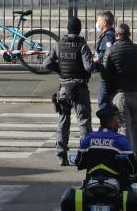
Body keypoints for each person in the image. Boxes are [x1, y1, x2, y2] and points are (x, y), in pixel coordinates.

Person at [63, 105, 137, 211]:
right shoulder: (121, 141)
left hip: (92, 185)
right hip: (115, 187)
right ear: (110, 121)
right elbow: (132, 168)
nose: (119, 121)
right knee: (134, 199)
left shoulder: (88, 139)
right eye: (117, 118)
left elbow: (80, 163)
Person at [44, 16, 94, 166]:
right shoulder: (82, 45)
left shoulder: (59, 44)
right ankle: (85, 154)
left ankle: (62, 155)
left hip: (64, 89)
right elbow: (89, 67)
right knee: (84, 121)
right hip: (79, 88)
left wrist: (59, 69)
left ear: (68, 29)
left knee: (63, 121)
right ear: (79, 29)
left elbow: (46, 64)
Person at [104, 23, 137, 161]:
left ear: (116, 35)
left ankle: (127, 155)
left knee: (124, 124)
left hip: (121, 94)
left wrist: (109, 94)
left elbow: (107, 75)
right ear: (129, 34)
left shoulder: (112, 51)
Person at [93, 10, 116, 109]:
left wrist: (96, 60)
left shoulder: (108, 37)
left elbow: (108, 52)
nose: (97, 23)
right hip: (108, 73)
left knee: (103, 102)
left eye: (98, 20)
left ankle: (107, 123)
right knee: (106, 101)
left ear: (104, 23)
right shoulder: (109, 34)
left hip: (107, 74)